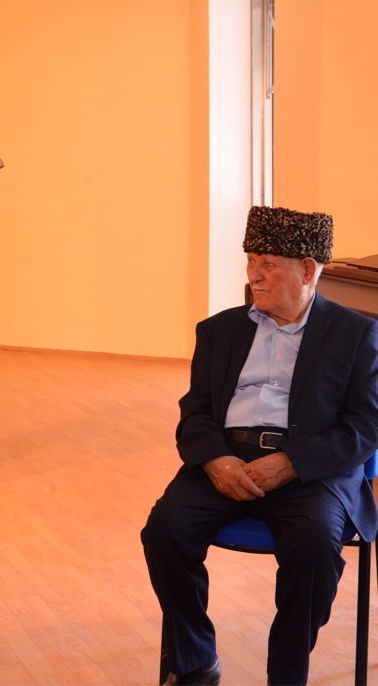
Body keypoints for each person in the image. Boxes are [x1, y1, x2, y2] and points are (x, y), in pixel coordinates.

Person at [141, 206, 378, 685]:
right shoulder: (219, 331)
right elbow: (196, 410)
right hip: (227, 460)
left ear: (308, 269)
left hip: (310, 469)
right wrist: (214, 459)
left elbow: (365, 425)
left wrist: (292, 463)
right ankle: (195, 661)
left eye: (268, 263)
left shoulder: (357, 334)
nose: (254, 275)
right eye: (251, 260)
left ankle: (285, 675)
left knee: (313, 545)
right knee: (164, 531)